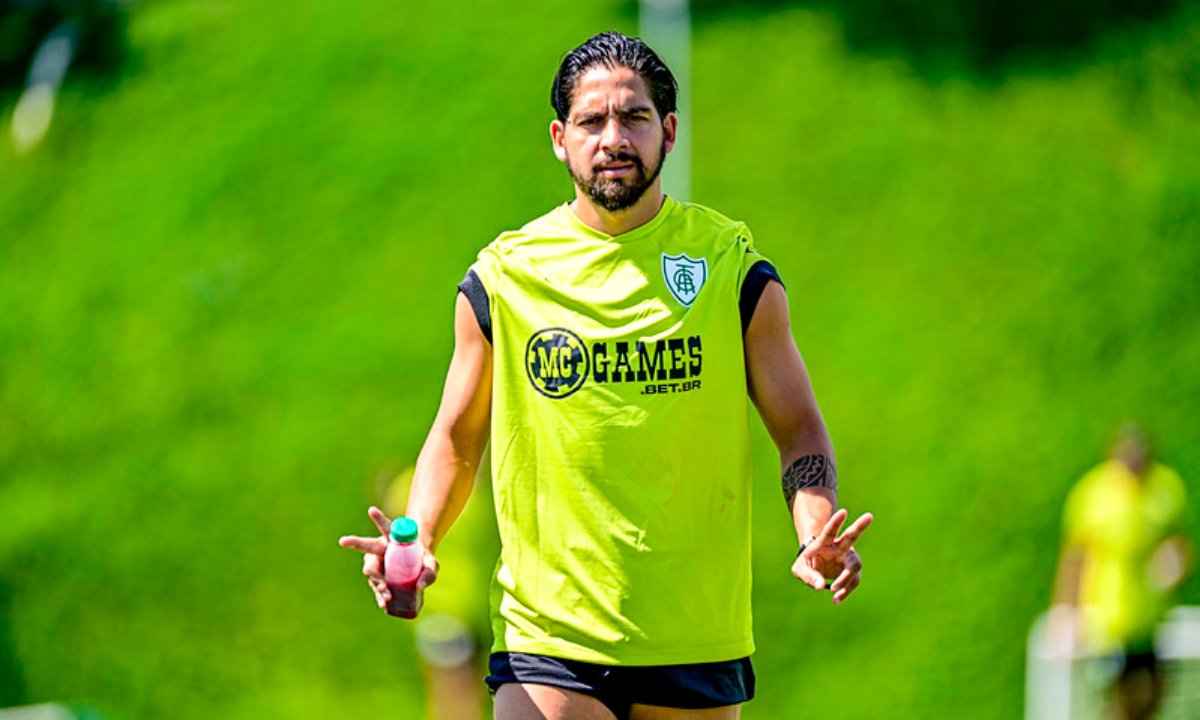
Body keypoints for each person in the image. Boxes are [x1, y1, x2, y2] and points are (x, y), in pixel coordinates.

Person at [340, 31, 873, 720]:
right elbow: (456, 437)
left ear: (669, 132)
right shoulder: (504, 280)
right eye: (592, 121)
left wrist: (815, 527)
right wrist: (418, 539)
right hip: (550, 639)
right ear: (561, 138)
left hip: (695, 638)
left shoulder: (732, 270)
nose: (612, 138)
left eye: (634, 118)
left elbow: (798, 429)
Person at [1050, 424, 1191, 720]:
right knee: (1116, 696)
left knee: (1154, 691)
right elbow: (1075, 557)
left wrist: (1175, 564)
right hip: (1105, 617)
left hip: (1147, 616)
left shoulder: (1164, 489)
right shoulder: (1094, 495)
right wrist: (1066, 610)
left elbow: (1178, 543)